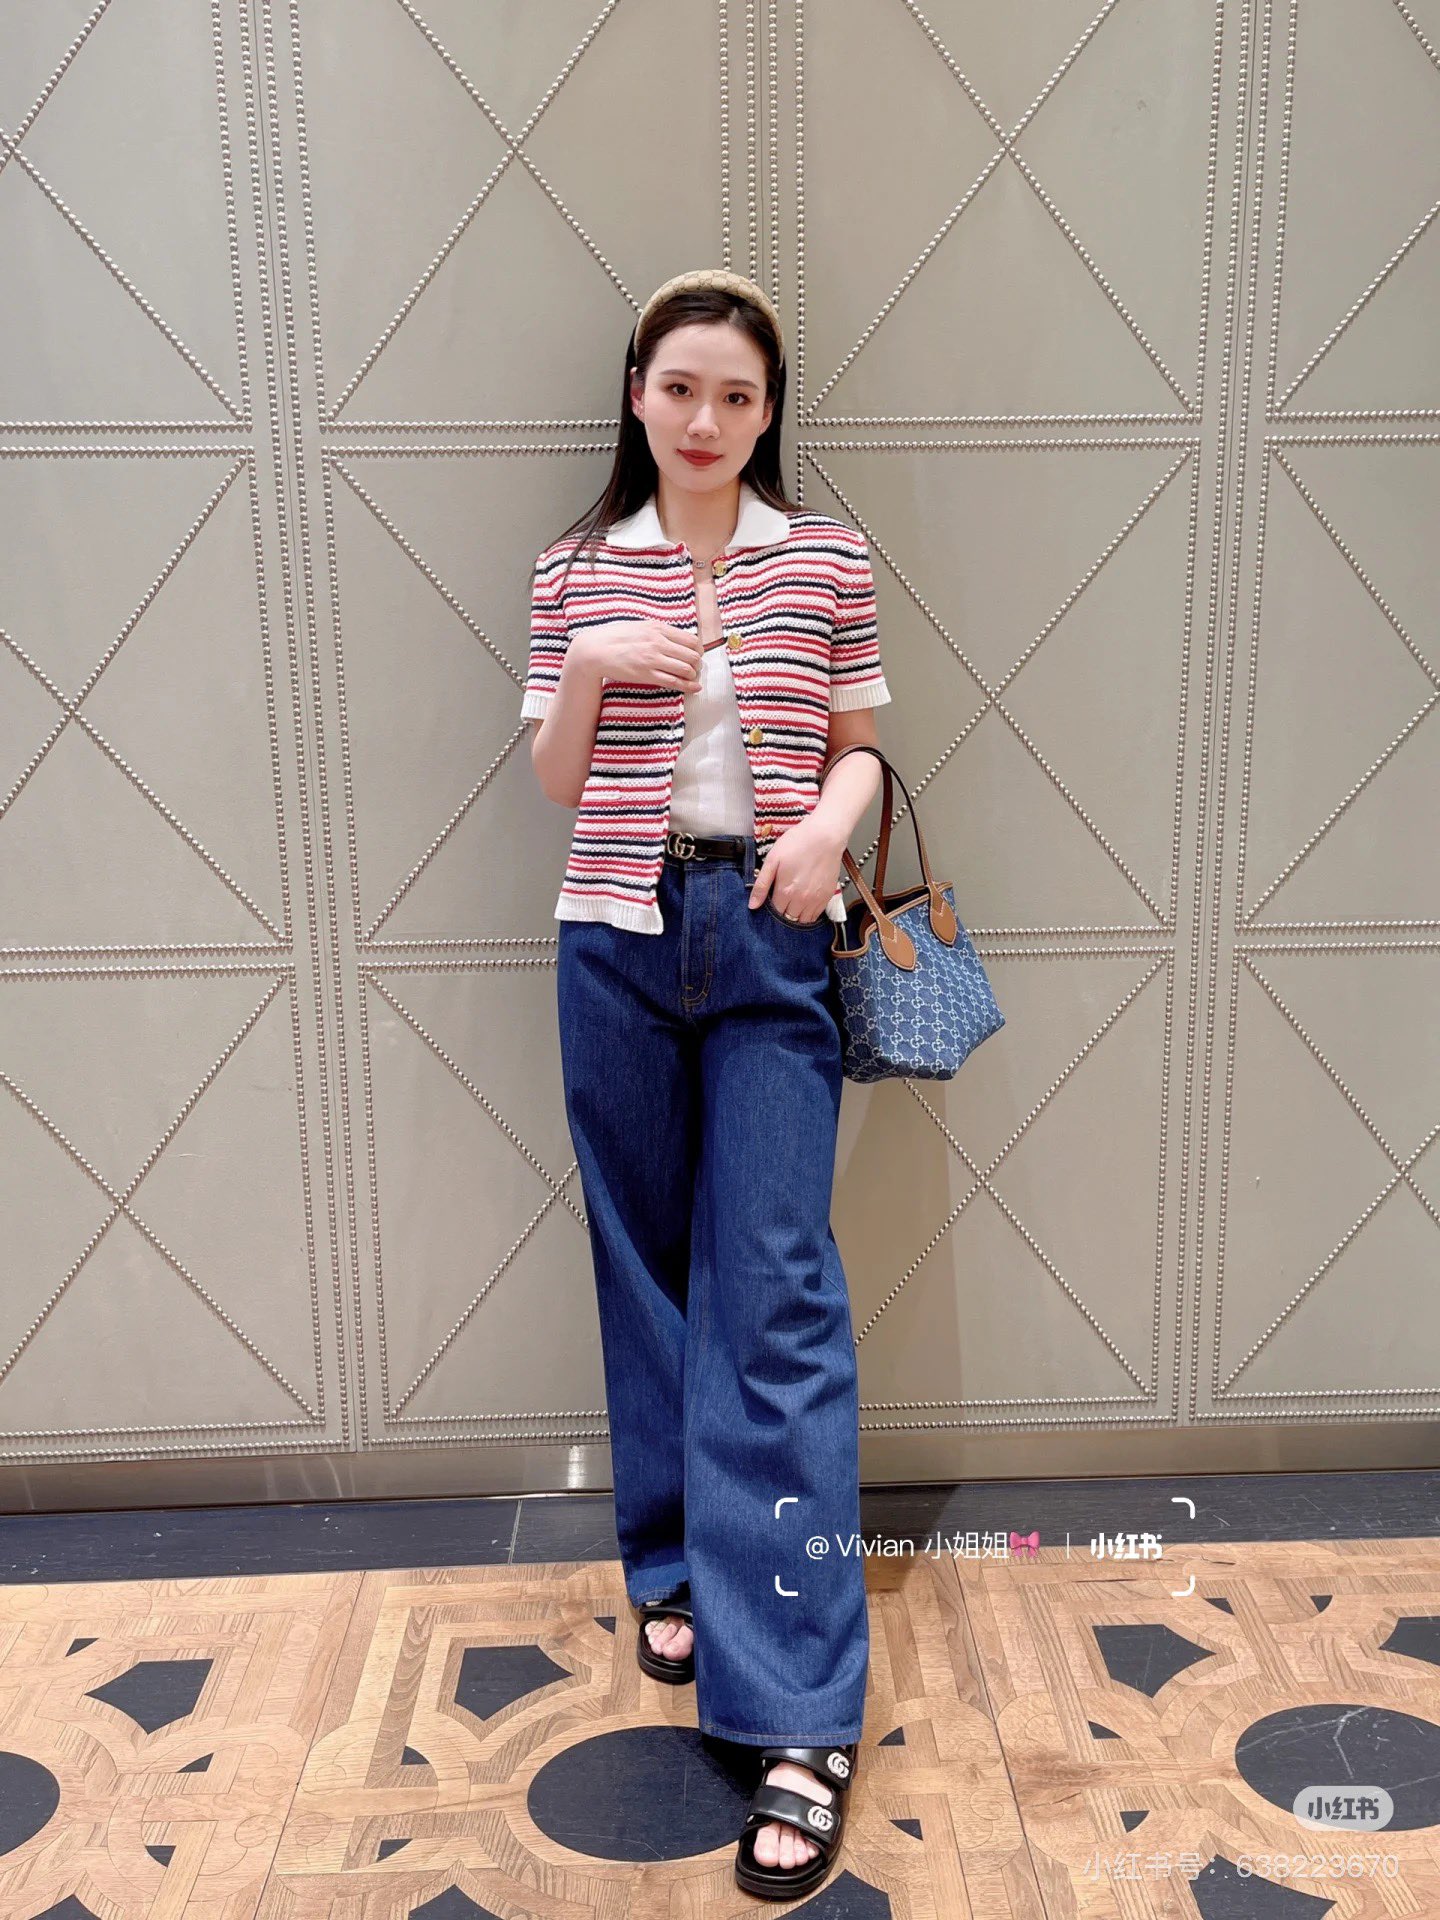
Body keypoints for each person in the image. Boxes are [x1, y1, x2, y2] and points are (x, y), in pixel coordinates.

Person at [521, 267, 892, 1899]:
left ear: (766, 413)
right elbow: (556, 778)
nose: (706, 418)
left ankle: (800, 1712)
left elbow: (862, 741)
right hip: (612, 937)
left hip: (770, 934)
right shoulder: (574, 567)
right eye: (681, 387)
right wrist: (595, 663)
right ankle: (674, 1560)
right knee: (645, 1267)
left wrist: (827, 829)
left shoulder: (825, 558)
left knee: (777, 1292)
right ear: (637, 394)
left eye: (737, 395)